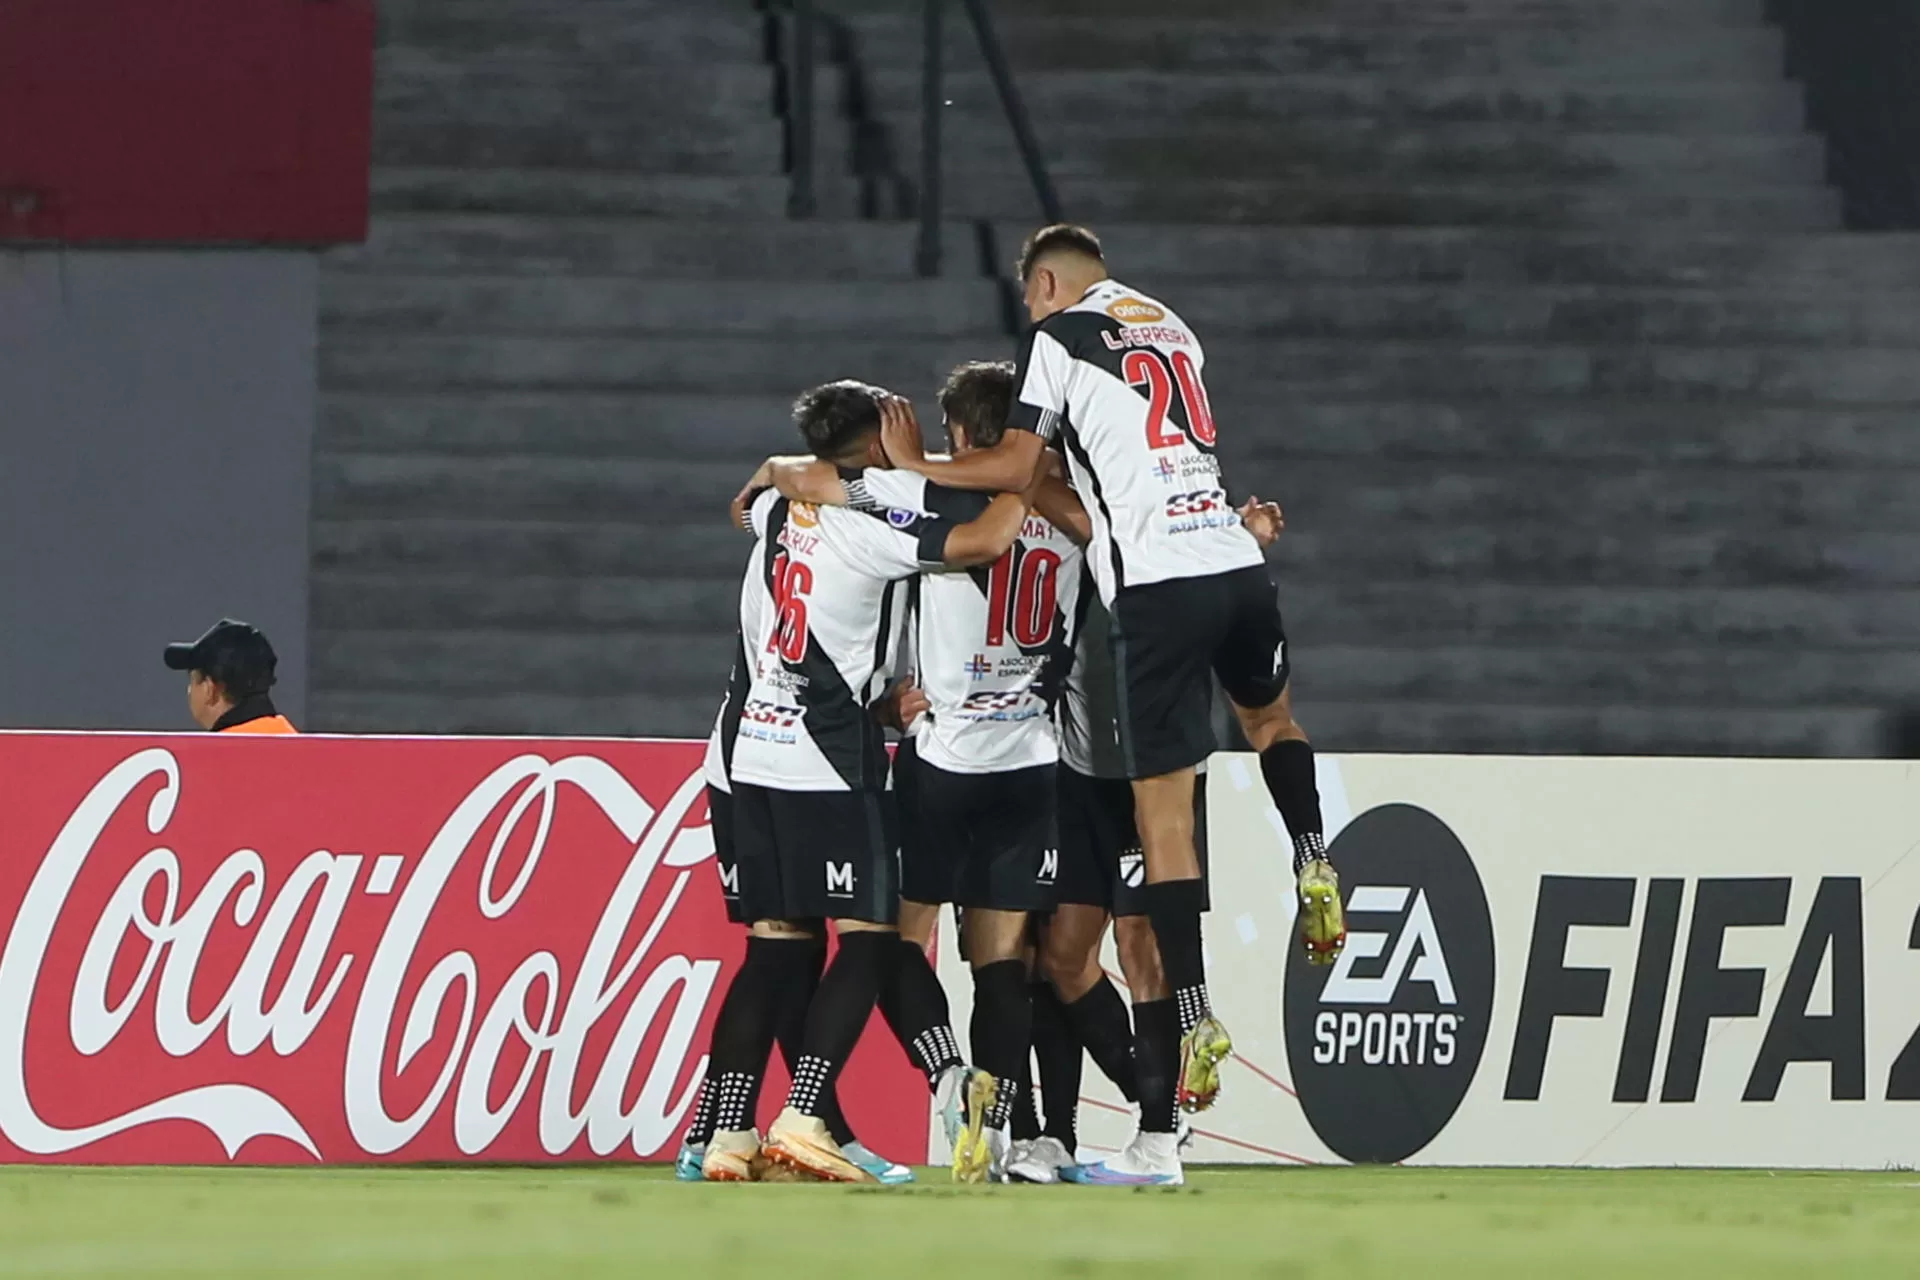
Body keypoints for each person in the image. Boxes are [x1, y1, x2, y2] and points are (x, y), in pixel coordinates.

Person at [879, 223, 1343, 1187]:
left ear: (1044, 284)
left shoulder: (1050, 356)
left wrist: (913, 468)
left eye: (1030, 302)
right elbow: (1136, 466)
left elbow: (1018, 471)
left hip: (1114, 652)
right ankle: (1311, 856)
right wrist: (1240, 527)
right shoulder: (1170, 325)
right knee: (1266, 726)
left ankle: (1172, 1036)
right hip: (1226, 565)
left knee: (1108, 872)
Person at [700, 380, 1043, 1183]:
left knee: (775, 948)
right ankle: (804, 1115)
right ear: (879, 434)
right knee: (868, 940)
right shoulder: (870, 518)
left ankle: (728, 1138)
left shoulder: (780, 513)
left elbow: (741, 502)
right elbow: (987, 540)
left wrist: (795, 468)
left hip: (754, 754)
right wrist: (1007, 467)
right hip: (828, 759)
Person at [162, 618, 297, 734]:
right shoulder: (299, 746)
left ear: (210, 690)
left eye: (192, 679)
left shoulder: (211, 758)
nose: (189, 691)